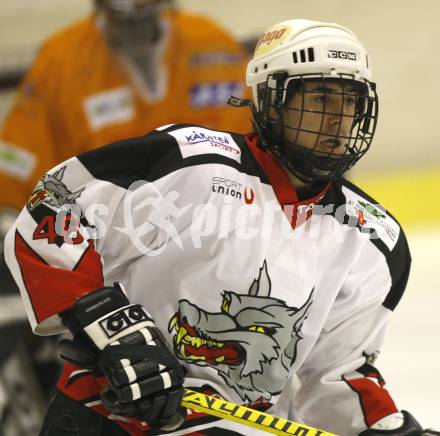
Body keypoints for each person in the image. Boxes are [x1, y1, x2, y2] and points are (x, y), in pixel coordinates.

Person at [4, 18, 439, 435]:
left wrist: (381, 429)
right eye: (321, 99)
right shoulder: (188, 165)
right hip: (111, 418)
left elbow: (335, 377)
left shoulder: (372, 241)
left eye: (351, 102)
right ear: (271, 101)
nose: (338, 120)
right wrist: (112, 332)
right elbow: (54, 209)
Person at [0, 0, 251, 425]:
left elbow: (257, 157)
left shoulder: (212, 45)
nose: (134, 19)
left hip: (209, 246)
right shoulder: (63, 59)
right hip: (101, 255)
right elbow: (14, 177)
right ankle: (32, 398)